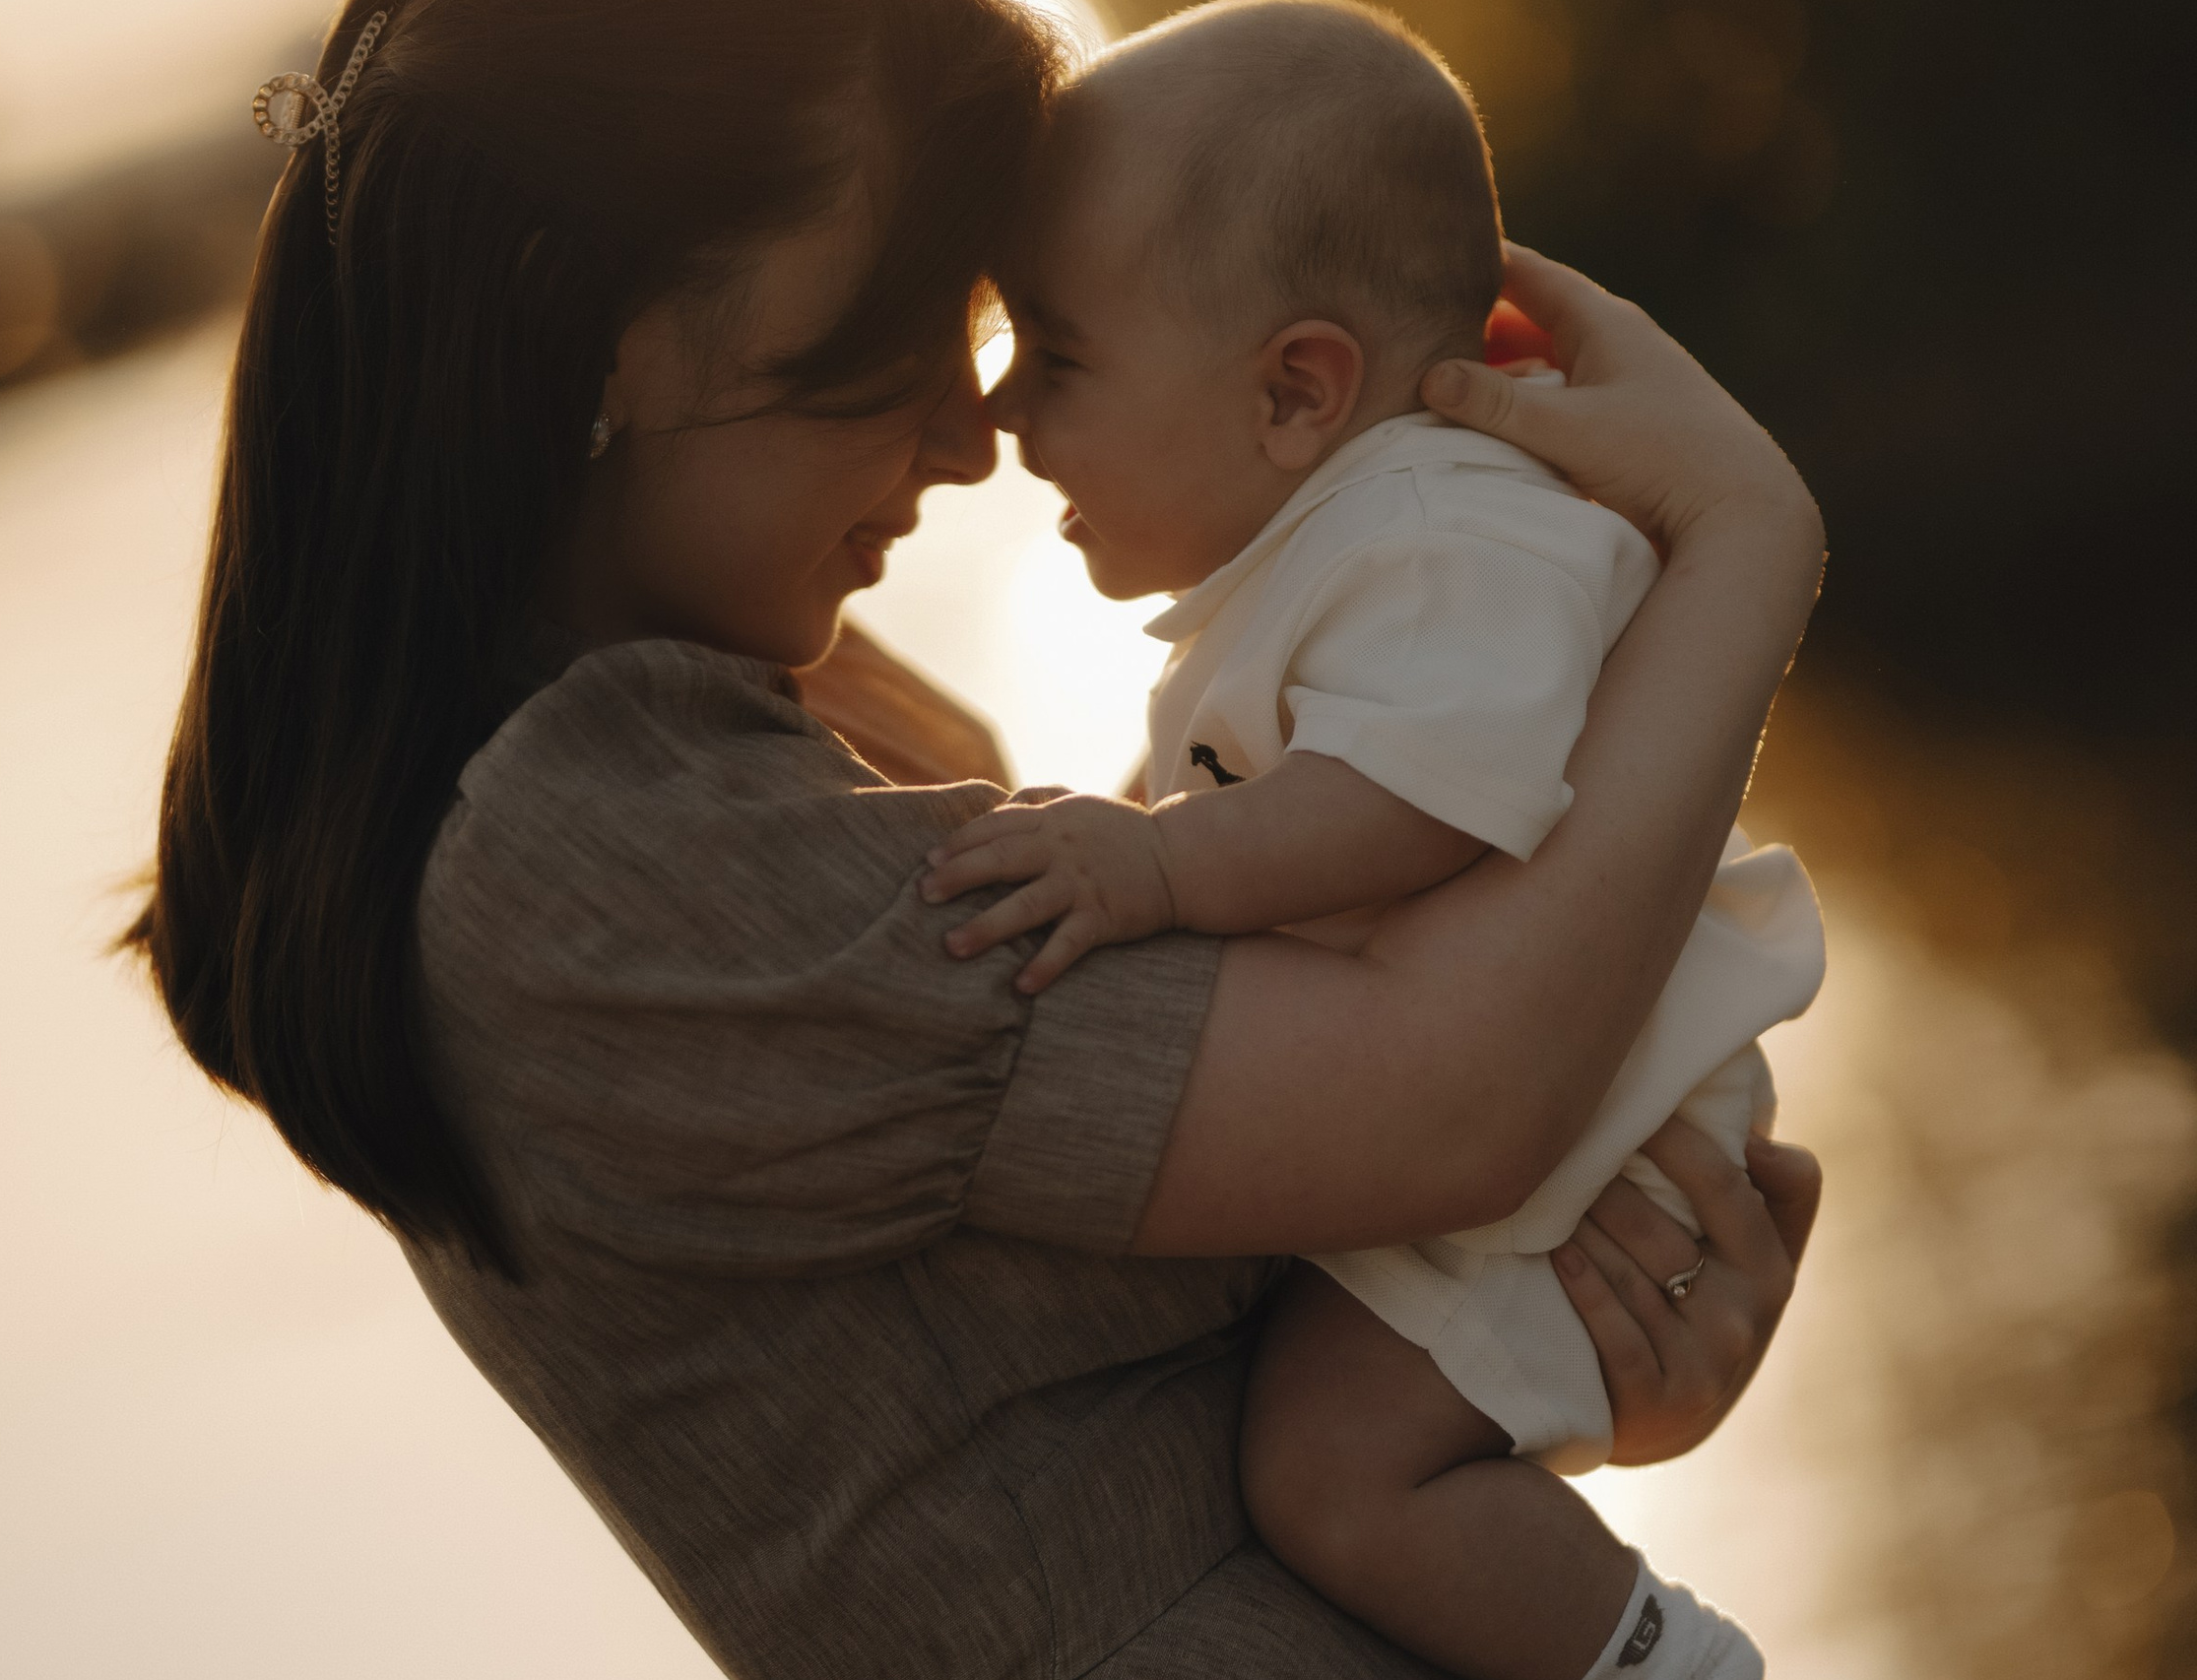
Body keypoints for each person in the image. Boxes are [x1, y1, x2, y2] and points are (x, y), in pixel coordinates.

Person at [124, 1, 1829, 1675]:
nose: (970, 431)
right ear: (593, 331)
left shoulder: (766, 716)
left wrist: (1546, 1358)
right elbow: (1450, 1097)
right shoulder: (593, 863)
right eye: (887, 332)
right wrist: (1741, 540)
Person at [923, 6, 1820, 1676]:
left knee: (1336, 1469)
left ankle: (1668, 1661)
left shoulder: (1428, 535)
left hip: (1596, 1142)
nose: (1008, 418)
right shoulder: (1332, 545)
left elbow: (1422, 796)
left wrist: (1155, 869)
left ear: (1295, 390)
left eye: (1057, 352)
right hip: (1538, 1121)